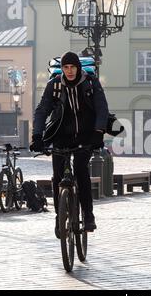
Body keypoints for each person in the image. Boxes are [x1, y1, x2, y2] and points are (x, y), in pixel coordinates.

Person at [30, 51, 109, 238]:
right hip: (61, 136)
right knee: (58, 176)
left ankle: (88, 215)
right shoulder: (54, 85)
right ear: (62, 69)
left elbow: (102, 108)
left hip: (86, 136)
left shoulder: (90, 83)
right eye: (66, 67)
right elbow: (42, 110)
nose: (69, 71)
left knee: (81, 171)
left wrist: (98, 133)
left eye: (72, 67)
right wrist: (37, 136)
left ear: (78, 67)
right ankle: (60, 217)